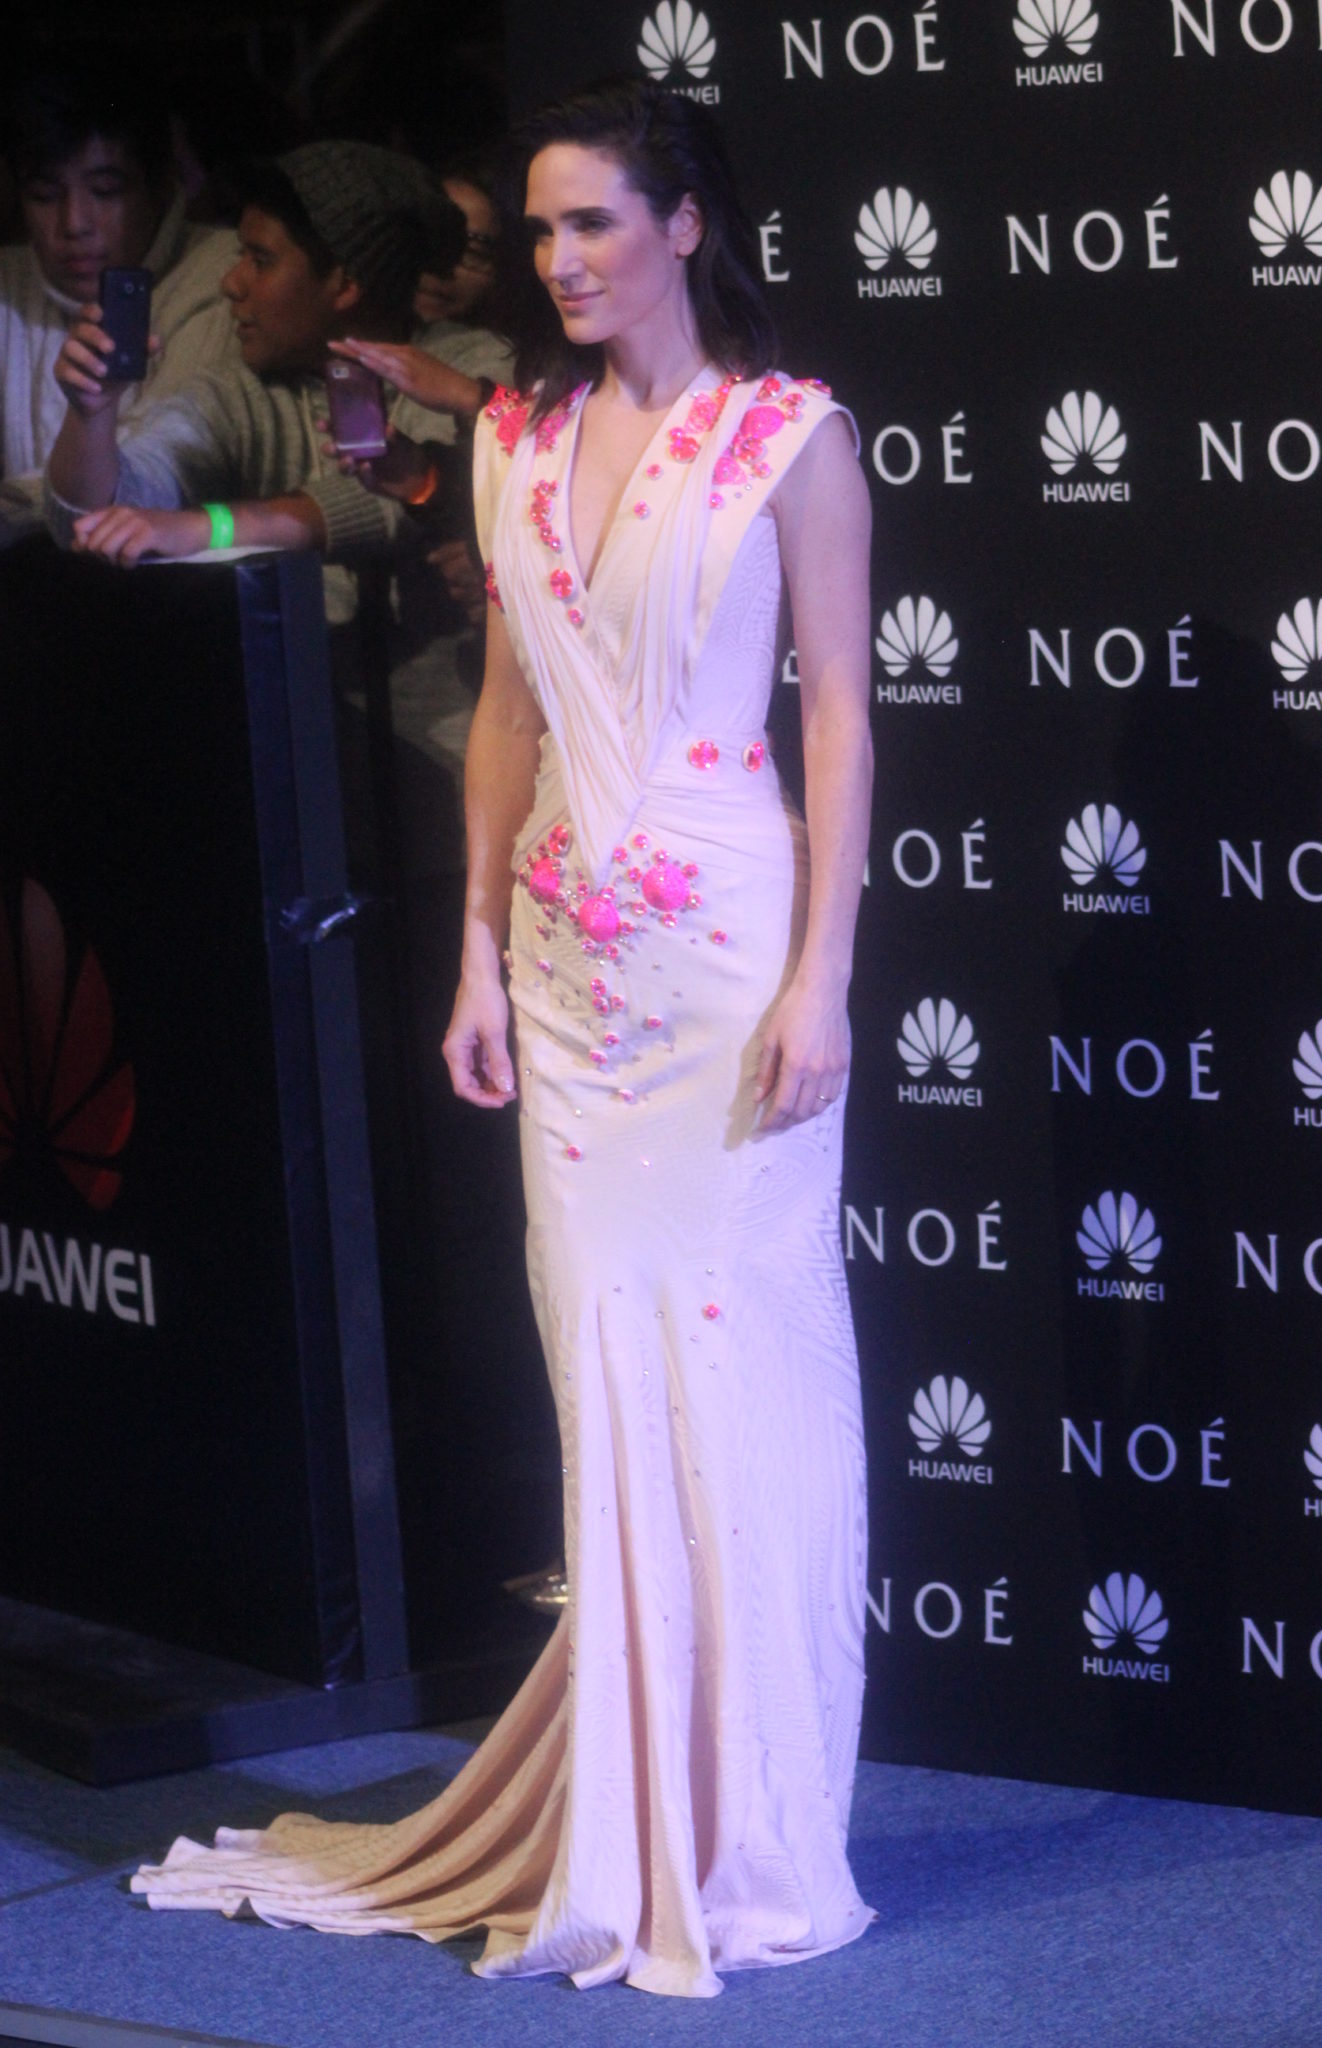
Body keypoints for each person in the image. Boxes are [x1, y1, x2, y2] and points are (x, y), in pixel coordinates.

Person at [129, 79, 875, 2000]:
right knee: (601, 1385)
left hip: (729, 963)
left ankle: (753, 1818)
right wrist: (471, 952)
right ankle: (627, 1809)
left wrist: (824, 975)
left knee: (748, 1382)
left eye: (593, 222)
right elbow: (509, 720)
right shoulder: (518, 441)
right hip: (561, 975)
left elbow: (841, 719)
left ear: (685, 225)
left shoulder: (791, 437)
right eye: (540, 230)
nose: (559, 259)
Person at [43, 140, 466, 585]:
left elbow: (413, 492)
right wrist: (91, 415)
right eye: (239, 255)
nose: (230, 283)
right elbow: (96, 520)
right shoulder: (240, 392)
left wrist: (208, 528)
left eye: (260, 261)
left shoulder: (462, 370)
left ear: (345, 285)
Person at [0, 58, 237, 536]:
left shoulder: (226, 279)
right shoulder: (9, 283)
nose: (74, 224)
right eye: (45, 196)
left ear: (160, 185)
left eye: (105, 191)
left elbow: (145, 483)